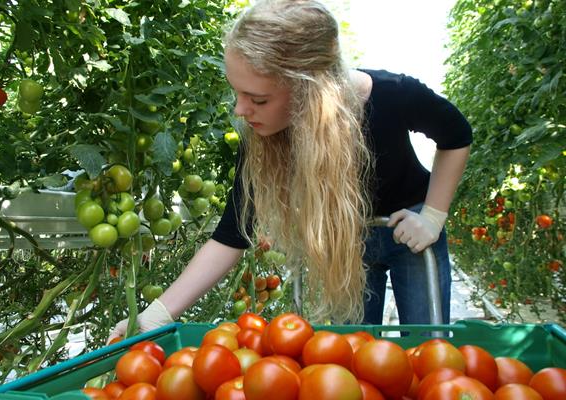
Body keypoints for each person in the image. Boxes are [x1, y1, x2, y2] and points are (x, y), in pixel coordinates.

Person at [108, 0, 471, 341]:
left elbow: (456, 134)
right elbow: (233, 234)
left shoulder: (392, 94)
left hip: (411, 232)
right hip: (347, 241)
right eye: (237, 92)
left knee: (428, 346)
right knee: (353, 357)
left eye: (258, 99)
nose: (240, 109)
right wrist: (155, 315)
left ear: (311, 90)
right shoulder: (263, 136)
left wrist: (433, 216)